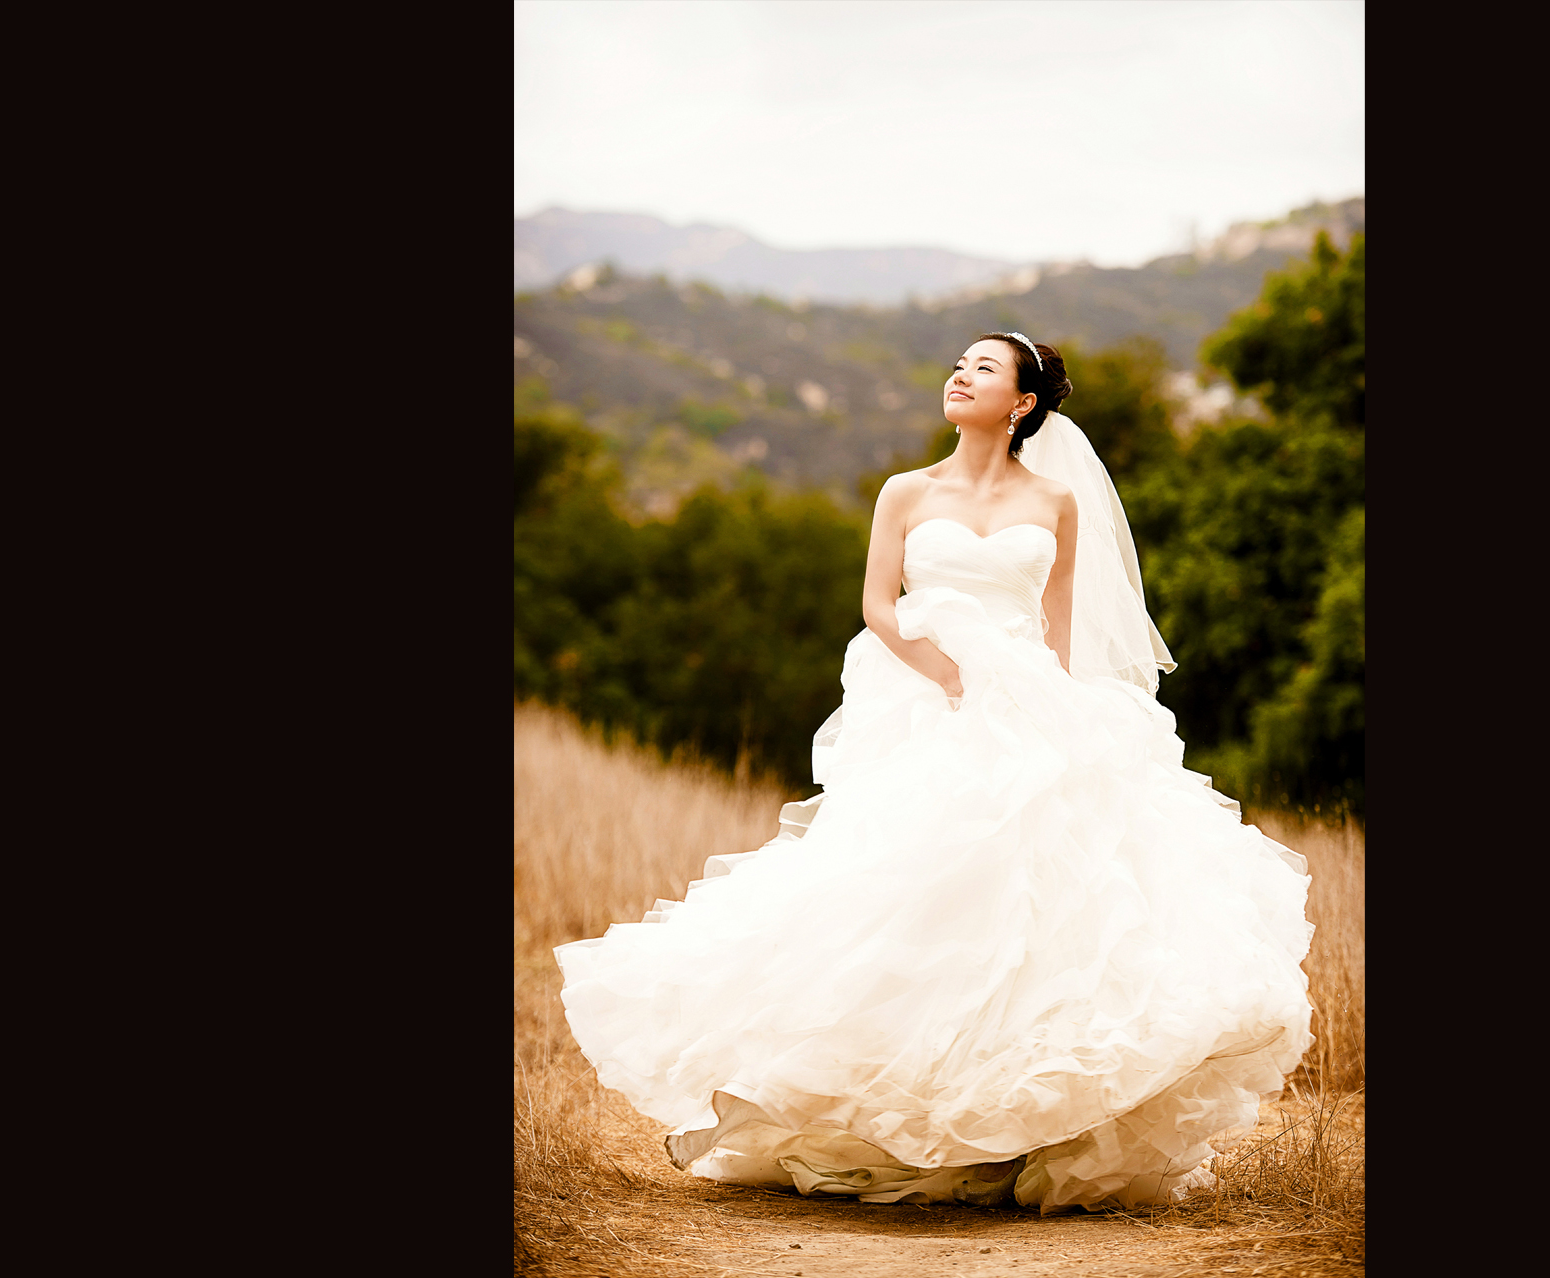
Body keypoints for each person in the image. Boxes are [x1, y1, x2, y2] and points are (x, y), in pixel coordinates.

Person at [556, 333, 1314, 1215]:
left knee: (1038, 905)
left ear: (1023, 404)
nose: (960, 375)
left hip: (1027, 709)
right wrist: (948, 672)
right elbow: (878, 605)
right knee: (907, 894)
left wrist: (1062, 718)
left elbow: (1060, 629)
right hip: (926, 698)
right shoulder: (907, 492)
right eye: (960, 363)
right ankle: (887, 1115)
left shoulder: (1059, 501)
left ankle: (1010, 1125)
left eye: (984, 369)